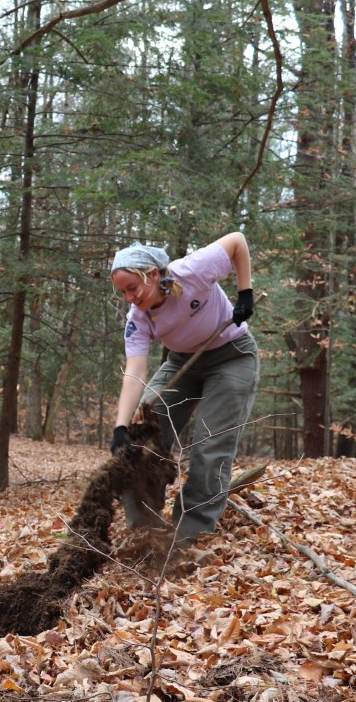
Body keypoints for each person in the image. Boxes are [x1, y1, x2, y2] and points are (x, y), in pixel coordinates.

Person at [109, 233, 259, 544]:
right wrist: (121, 427)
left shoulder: (193, 270)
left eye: (132, 288)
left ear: (152, 275)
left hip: (232, 356)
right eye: (122, 292)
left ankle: (191, 533)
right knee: (141, 437)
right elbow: (135, 371)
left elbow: (237, 242)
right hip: (182, 364)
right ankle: (144, 528)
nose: (129, 297)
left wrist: (245, 293)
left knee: (209, 445)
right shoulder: (137, 317)